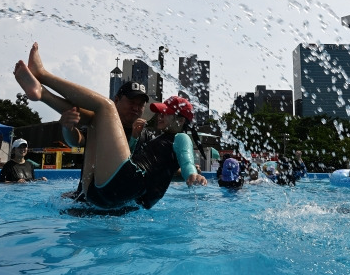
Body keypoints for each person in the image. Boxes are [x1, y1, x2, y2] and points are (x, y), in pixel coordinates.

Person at [13, 42, 206, 209]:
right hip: (99, 196)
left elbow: (181, 163)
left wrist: (191, 174)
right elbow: (78, 142)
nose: (138, 109)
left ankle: (42, 76)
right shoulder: (106, 126)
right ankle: (42, 93)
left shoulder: (158, 136)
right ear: (119, 99)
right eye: (132, 102)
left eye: (141, 105)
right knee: (96, 116)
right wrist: (68, 128)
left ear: (179, 120)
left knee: (103, 106)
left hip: (118, 193)